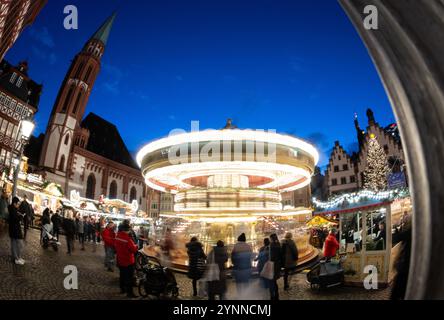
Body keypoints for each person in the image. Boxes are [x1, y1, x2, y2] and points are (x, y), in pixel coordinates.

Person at [114, 220, 138, 298]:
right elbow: (134, 250)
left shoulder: (117, 236)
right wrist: (136, 246)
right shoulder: (128, 239)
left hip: (120, 259)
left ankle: (122, 289)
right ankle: (129, 293)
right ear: (127, 230)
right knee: (129, 278)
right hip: (128, 260)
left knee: (122, 275)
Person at [8, 197, 25, 265]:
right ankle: (17, 258)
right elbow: (15, 219)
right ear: (14, 203)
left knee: (15, 244)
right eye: (18, 203)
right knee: (19, 244)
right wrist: (21, 216)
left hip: (14, 229)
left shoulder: (13, 209)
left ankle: (17, 258)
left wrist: (19, 215)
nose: (18, 205)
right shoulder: (12, 209)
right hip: (15, 230)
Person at [269, 233, 282, 300]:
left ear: (271, 239)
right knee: (274, 280)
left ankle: (273, 296)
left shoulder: (271, 246)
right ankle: (276, 295)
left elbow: (270, 257)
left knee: (272, 281)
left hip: (272, 265)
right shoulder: (278, 244)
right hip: (278, 265)